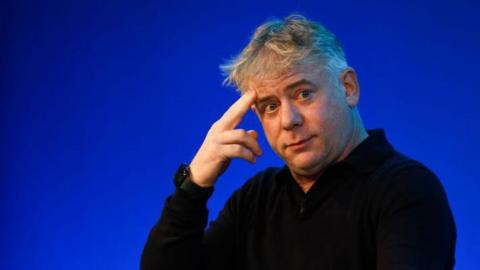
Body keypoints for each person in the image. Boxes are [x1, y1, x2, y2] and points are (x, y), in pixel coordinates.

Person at [141, 14, 456, 270]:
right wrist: (193, 187)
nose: (288, 120)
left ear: (348, 88)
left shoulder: (406, 190)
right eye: (270, 106)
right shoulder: (255, 200)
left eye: (303, 94)